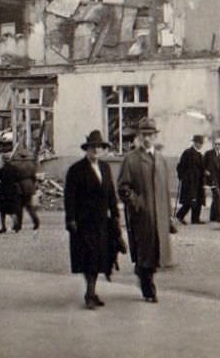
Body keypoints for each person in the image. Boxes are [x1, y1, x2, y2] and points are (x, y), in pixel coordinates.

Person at [64, 130, 123, 310]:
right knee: (88, 257)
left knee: (99, 258)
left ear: (103, 149)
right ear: (87, 149)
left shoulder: (105, 168)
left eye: (99, 147)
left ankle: (92, 291)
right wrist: (71, 218)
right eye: (92, 147)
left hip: (102, 222)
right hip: (84, 221)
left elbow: (111, 193)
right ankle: (90, 294)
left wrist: (115, 213)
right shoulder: (76, 170)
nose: (96, 150)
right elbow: (69, 197)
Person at [118, 117, 173, 303]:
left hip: (160, 216)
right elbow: (123, 187)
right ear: (139, 136)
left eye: (150, 135)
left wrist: (169, 217)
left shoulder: (161, 160)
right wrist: (136, 202)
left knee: (156, 254)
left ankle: (143, 275)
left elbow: (165, 191)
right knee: (145, 252)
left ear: (155, 136)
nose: (147, 138)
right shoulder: (131, 159)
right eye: (144, 135)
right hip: (142, 215)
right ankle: (149, 288)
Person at [175, 134, 205, 225]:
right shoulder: (187, 153)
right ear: (194, 143)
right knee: (189, 200)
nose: (200, 145)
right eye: (199, 143)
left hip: (198, 181)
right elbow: (180, 166)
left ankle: (195, 219)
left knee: (199, 199)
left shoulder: (200, 154)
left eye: (201, 143)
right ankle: (180, 215)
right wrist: (182, 177)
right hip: (189, 182)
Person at [12, 148, 40, 231]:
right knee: (29, 206)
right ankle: (36, 222)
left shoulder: (16, 165)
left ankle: (18, 225)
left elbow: (15, 177)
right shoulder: (31, 164)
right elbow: (34, 177)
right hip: (29, 186)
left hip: (20, 186)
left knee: (19, 207)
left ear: (20, 156)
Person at [0, 151, 21, 233]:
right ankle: (16, 224)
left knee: (2, 211)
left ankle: (3, 227)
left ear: (3, 160)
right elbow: (18, 178)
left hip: (3, 190)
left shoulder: (1, 169)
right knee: (12, 209)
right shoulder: (15, 168)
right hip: (13, 190)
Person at [204, 137, 220, 223]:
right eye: (216, 144)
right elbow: (203, 165)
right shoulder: (209, 154)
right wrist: (206, 171)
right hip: (213, 179)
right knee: (217, 196)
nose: (217, 146)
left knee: (218, 198)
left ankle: (212, 217)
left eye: (219, 144)